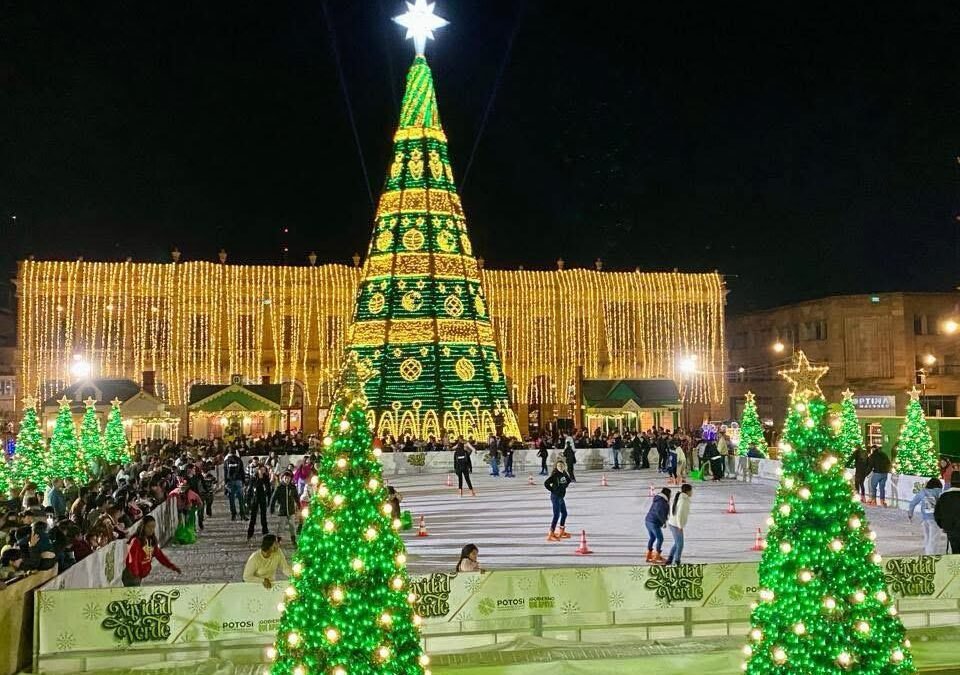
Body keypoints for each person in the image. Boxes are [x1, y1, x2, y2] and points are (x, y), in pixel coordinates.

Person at [123, 515, 181, 586]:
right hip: (131, 576)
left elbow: (160, 556)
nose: (151, 529)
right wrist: (135, 574)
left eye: (153, 527)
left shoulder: (151, 540)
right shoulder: (136, 541)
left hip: (138, 575)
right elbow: (132, 560)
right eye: (149, 527)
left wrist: (172, 566)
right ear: (143, 526)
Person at [908, 477, 943, 555]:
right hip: (935, 519)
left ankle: (928, 553)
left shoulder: (923, 492)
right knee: (934, 539)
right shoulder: (939, 492)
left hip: (925, 519)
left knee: (927, 538)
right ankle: (931, 555)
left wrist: (910, 514)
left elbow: (913, 503)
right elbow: (944, 504)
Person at [544, 460, 572, 541]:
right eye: (559, 466)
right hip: (555, 497)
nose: (560, 467)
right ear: (556, 467)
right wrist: (553, 490)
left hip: (561, 497)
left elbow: (568, 480)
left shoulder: (563, 473)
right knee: (556, 515)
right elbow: (546, 483)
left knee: (564, 513)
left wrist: (565, 485)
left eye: (562, 465)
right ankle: (551, 533)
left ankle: (561, 531)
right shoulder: (555, 475)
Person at [664, 483, 692, 565]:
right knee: (680, 544)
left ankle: (670, 559)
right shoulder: (683, 500)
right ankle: (677, 561)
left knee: (677, 543)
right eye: (691, 491)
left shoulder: (680, 497)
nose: (692, 493)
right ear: (688, 491)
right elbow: (679, 514)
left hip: (673, 523)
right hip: (676, 524)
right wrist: (680, 526)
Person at [270, 470, 300, 545]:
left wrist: (299, 504)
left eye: (288, 478)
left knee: (292, 525)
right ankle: (279, 540)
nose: (287, 480)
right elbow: (273, 498)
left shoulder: (292, 487)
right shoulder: (279, 487)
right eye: (285, 478)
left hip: (291, 510)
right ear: (282, 478)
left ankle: (293, 539)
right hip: (282, 510)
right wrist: (272, 508)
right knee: (281, 526)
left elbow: (296, 497)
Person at [934, 473, 960, 554]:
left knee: (955, 551)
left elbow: (937, 514)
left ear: (951, 483)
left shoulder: (943, 496)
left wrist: (944, 526)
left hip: (950, 529)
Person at [645, 487, 671, 564]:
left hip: (648, 520)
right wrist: (663, 522)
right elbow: (659, 513)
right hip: (654, 522)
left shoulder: (658, 499)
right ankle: (657, 556)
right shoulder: (662, 502)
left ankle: (649, 555)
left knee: (652, 537)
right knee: (660, 538)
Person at [246, 464, 272, 541]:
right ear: (258, 469)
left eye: (264, 470)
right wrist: (247, 500)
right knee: (253, 516)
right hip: (255, 498)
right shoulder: (254, 477)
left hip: (263, 498)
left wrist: (269, 499)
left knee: (263, 516)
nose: (263, 471)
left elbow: (268, 489)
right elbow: (250, 488)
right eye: (261, 470)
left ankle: (265, 531)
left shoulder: (266, 478)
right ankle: (250, 532)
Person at [223, 449, 246, 521]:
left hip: (230, 481)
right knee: (241, 498)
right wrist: (244, 481)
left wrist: (226, 483)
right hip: (238, 480)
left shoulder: (226, 461)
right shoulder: (239, 460)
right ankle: (242, 514)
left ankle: (233, 514)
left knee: (231, 499)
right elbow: (242, 471)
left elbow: (225, 472)